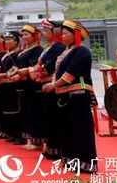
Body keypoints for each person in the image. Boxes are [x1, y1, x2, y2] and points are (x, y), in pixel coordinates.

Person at [43, 20, 98, 174]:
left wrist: (53, 85)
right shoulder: (65, 51)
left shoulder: (82, 52)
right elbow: (58, 72)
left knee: (80, 128)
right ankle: (71, 159)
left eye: (66, 33)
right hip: (66, 95)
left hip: (78, 94)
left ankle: (85, 162)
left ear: (76, 35)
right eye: (62, 33)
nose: (63, 36)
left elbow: (70, 74)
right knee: (68, 128)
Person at [10, 25, 44, 149]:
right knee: (27, 113)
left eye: (26, 34)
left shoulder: (38, 50)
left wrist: (20, 76)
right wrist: (14, 72)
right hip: (24, 87)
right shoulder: (25, 50)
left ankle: (38, 141)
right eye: (22, 35)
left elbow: (35, 68)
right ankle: (31, 139)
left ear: (34, 36)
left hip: (33, 86)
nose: (23, 37)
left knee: (35, 113)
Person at [36, 20, 66, 159]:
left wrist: (36, 72)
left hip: (53, 86)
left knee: (54, 118)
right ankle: (51, 147)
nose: (43, 34)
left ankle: (57, 148)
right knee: (47, 117)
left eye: (46, 31)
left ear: (54, 33)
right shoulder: (48, 48)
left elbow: (49, 67)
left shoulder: (59, 47)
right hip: (45, 86)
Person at [0, 31, 22, 144]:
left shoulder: (18, 54)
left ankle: (18, 135)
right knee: (6, 109)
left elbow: (14, 69)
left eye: (10, 40)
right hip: (3, 84)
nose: (7, 42)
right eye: (6, 40)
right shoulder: (5, 55)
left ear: (16, 42)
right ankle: (10, 132)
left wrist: (1, 74)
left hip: (12, 84)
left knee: (15, 109)